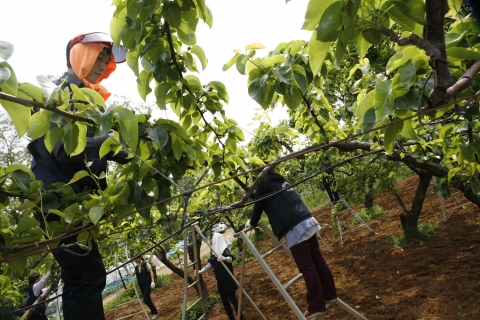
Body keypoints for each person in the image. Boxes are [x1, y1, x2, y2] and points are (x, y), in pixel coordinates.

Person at [27, 32, 130, 320]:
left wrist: (134, 148)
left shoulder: (92, 99)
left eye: (107, 60)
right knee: (87, 276)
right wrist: (109, 140)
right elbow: (64, 151)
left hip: (74, 204)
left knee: (80, 277)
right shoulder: (57, 93)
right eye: (98, 56)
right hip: (58, 202)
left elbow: (104, 149)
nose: (103, 65)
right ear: (79, 55)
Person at [245, 170, 337, 319]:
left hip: (294, 226)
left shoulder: (263, 183)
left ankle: (316, 305)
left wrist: (253, 223)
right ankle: (329, 294)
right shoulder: (277, 180)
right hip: (306, 219)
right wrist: (249, 194)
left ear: (256, 176)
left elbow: (259, 205)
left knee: (307, 266)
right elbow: (266, 199)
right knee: (317, 259)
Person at [196, 223, 245, 320]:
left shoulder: (224, 251)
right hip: (220, 281)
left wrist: (225, 258)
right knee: (225, 301)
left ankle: (241, 317)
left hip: (227, 279)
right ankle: (231, 318)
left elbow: (231, 259)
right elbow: (211, 264)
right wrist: (201, 271)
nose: (211, 242)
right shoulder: (214, 253)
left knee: (232, 299)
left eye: (213, 240)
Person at [124, 254, 159, 319]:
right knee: (148, 298)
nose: (135, 260)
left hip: (147, 284)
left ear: (140, 258)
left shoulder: (145, 264)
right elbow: (131, 275)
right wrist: (126, 269)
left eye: (136, 259)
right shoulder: (136, 267)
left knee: (145, 299)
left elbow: (151, 272)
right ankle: (154, 309)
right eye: (134, 259)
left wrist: (152, 281)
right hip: (141, 285)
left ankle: (155, 313)